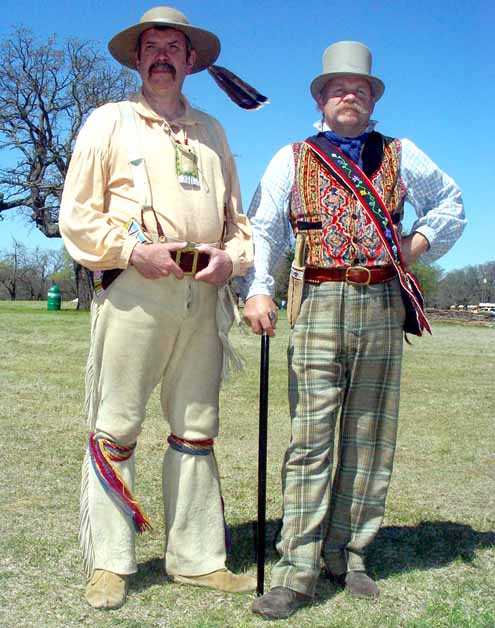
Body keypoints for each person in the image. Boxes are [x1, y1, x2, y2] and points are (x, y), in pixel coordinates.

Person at [242, 40, 465, 620]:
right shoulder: (292, 156)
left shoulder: (399, 152)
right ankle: (297, 567)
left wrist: (412, 247)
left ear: (371, 100)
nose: (350, 95)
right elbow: (264, 226)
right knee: (310, 439)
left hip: (382, 302)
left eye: (360, 89)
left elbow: (450, 202)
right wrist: (259, 288)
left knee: (370, 435)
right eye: (339, 88)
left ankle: (350, 553)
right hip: (316, 299)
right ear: (321, 97)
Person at [60, 6, 255, 610]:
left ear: (191, 60)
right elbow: (77, 215)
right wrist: (132, 250)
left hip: (205, 297)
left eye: (174, 46)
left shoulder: (213, 131)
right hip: (136, 290)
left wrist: (235, 260)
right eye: (152, 47)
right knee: (116, 423)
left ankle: (197, 560)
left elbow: (239, 226)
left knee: (196, 427)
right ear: (138, 58)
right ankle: (110, 563)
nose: (163, 55)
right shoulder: (108, 122)